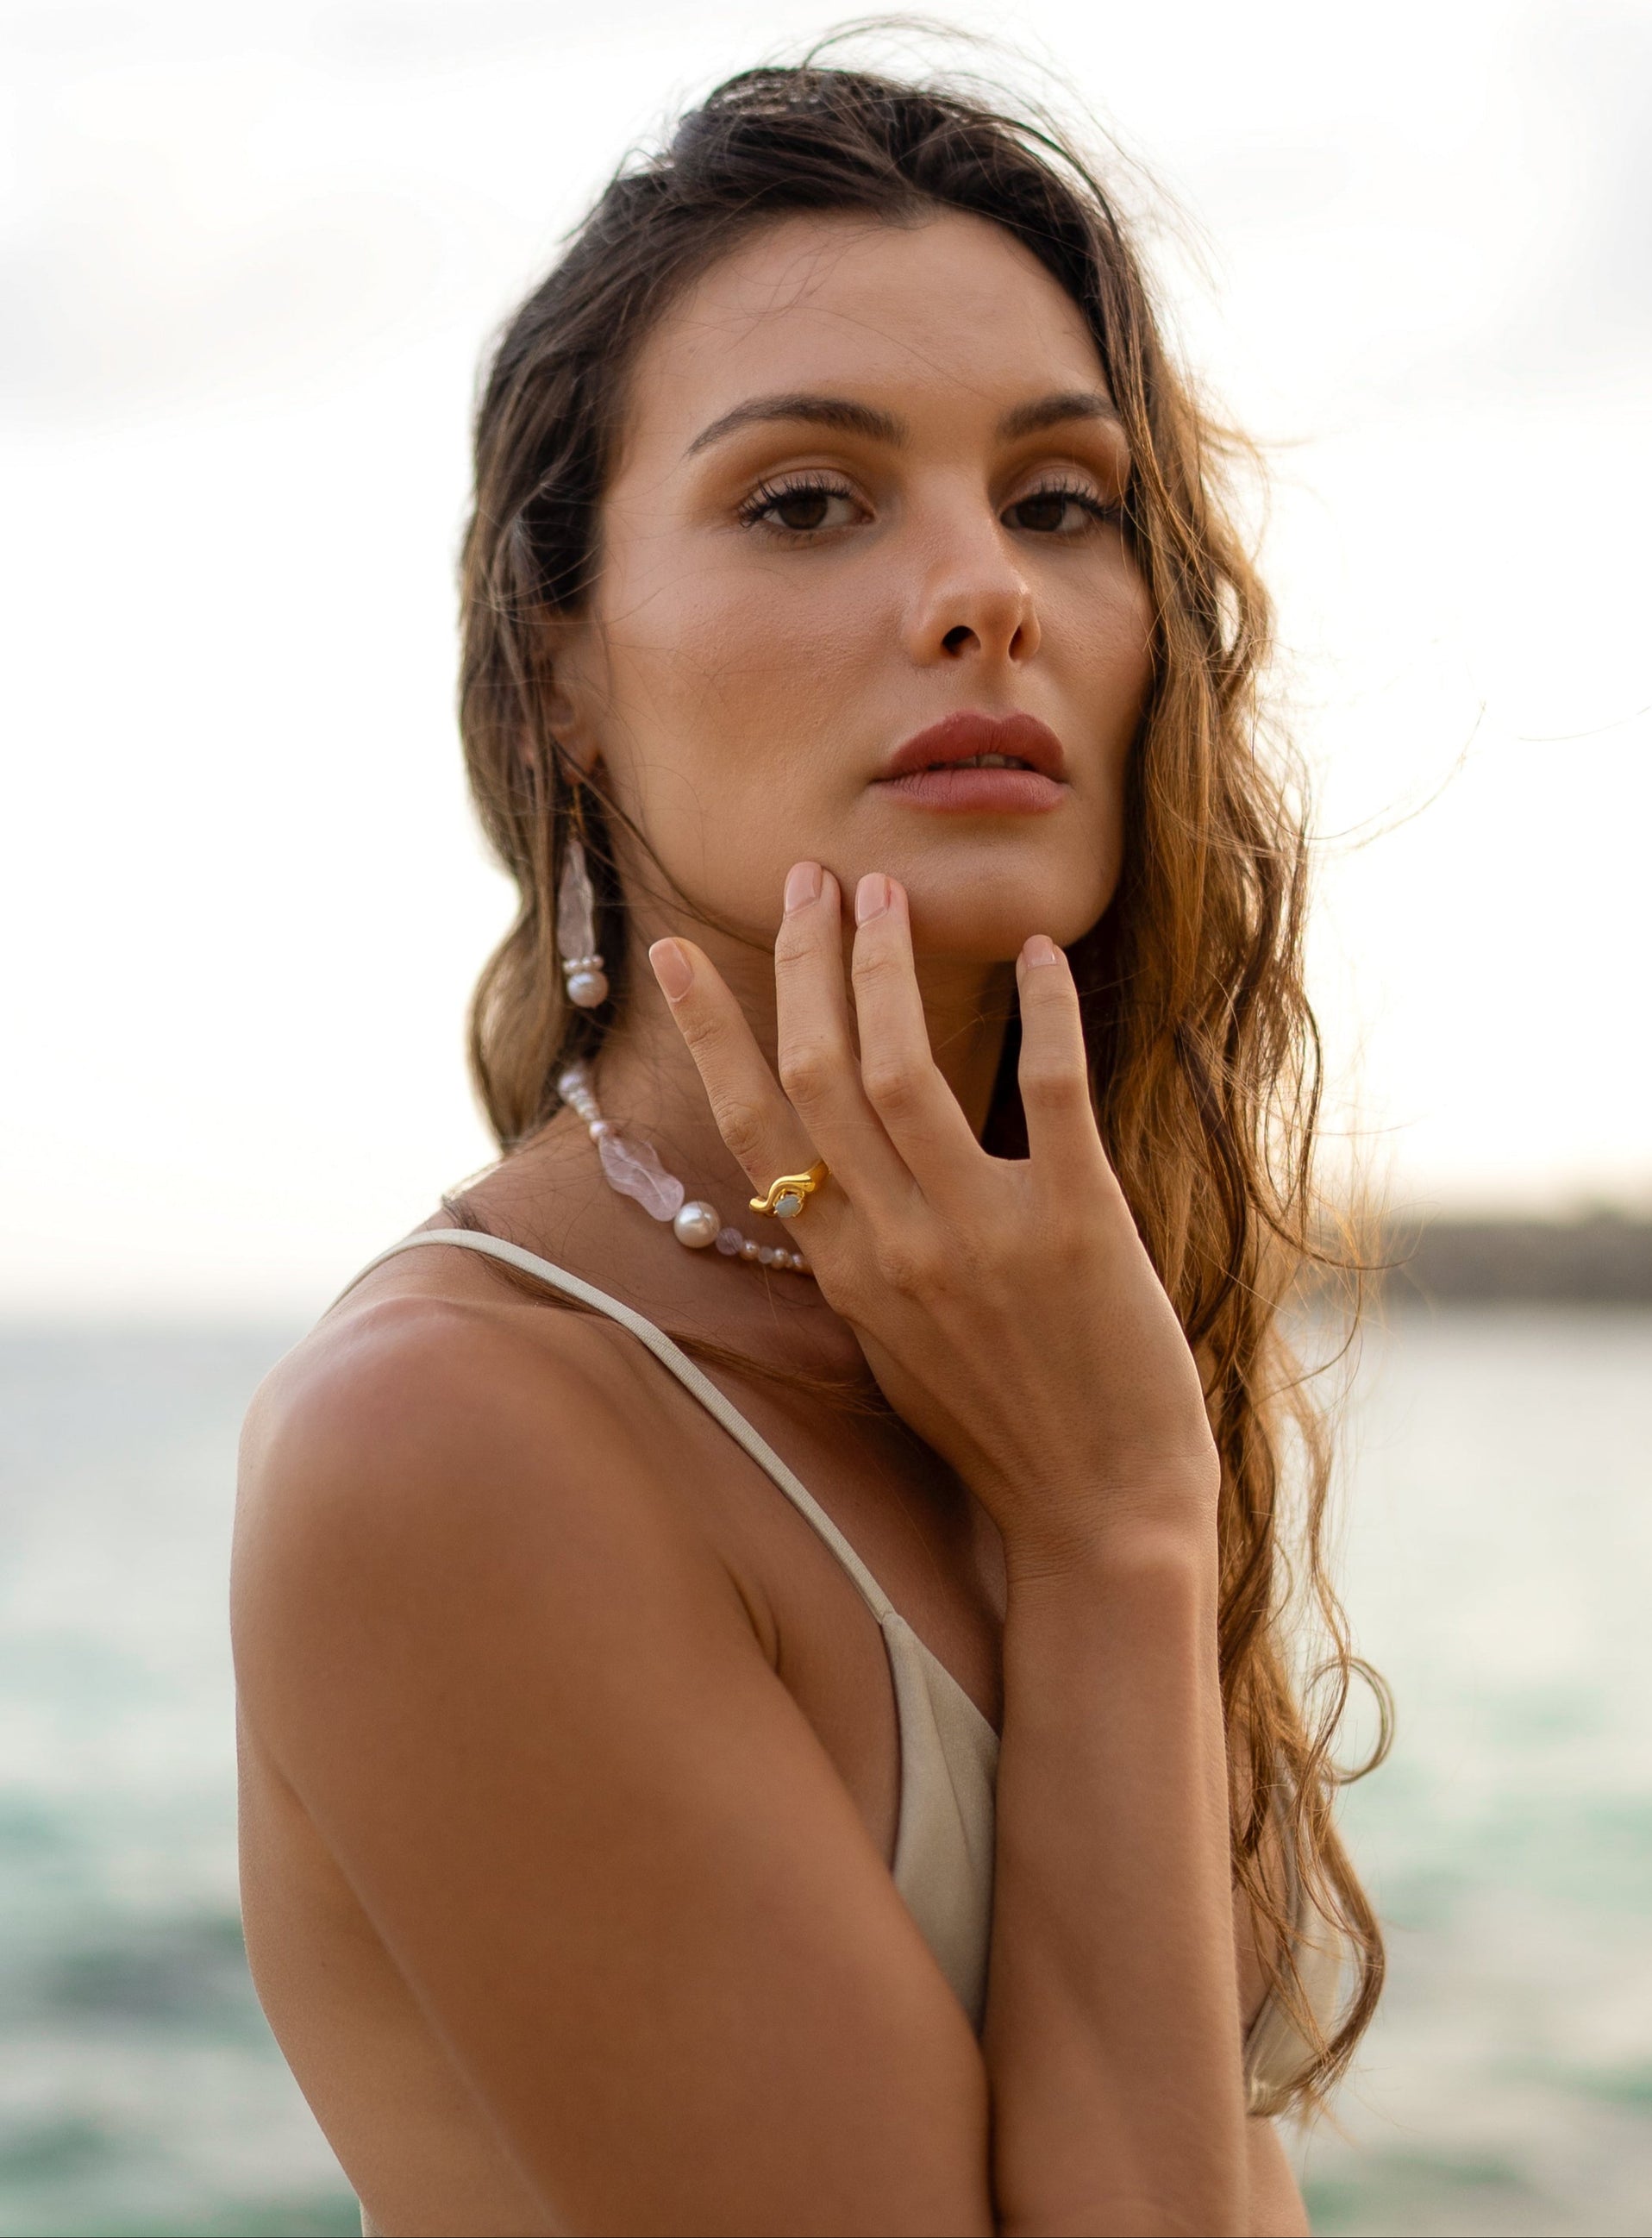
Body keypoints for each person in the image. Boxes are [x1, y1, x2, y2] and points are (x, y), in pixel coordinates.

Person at [233, 56, 1384, 2237]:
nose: (983, 591)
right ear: (559, 673)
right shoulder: (453, 1445)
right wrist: (1117, 1530)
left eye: (1061, 501)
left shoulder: (1052, 1327)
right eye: (803, 501)